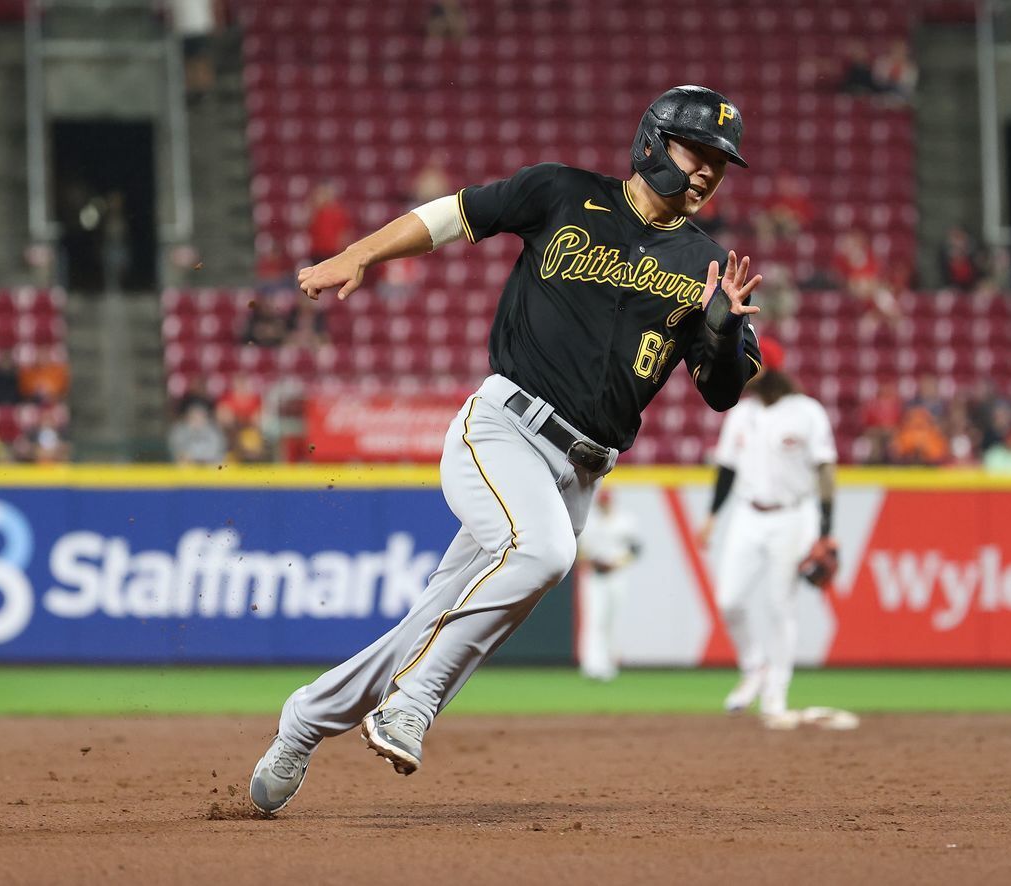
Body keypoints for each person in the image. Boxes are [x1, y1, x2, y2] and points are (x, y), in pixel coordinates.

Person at [249, 85, 763, 814]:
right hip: (505, 428)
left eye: (722, 161)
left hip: (581, 471)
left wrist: (719, 332)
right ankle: (412, 705)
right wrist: (356, 254)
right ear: (654, 141)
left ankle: (304, 720)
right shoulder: (560, 193)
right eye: (699, 151)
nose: (711, 170)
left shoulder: (708, 262)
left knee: (430, 624)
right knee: (544, 554)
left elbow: (723, 390)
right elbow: (452, 217)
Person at [699, 347, 835, 729]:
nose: (746, 372)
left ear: (770, 370)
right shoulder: (741, 414)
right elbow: (726, 469)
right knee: (729, 600)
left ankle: (776, 693)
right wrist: (711, 516)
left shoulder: (807, 412)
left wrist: (826, 530)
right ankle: (754, 667)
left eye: (753, 366)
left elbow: (825, 469)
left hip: (793, 515)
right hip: (748, 512)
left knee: (780, 606)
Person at [575, 488, 641, 682]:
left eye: (606, 502)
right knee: (595, 620)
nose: (603, 505)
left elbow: (636, 549)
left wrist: (617, 563)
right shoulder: (589, 522)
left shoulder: (625, 521)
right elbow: (579, 552)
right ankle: (592, 665)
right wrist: (593, 562)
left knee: (613, 620)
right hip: (594, 576)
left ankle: (610, 664)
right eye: (601, 503)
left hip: (617, 575)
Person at [306, 182, 351, 266]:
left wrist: (341, 252)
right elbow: (306, 225)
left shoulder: (338, 212)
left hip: (332, 253)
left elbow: (344, 234)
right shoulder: (316, 211)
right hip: (317, 253)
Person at [871, 39, 917, 104]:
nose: (899, 52)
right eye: (896, 49)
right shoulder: (882, 61)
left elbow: (908, 86)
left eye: (901, 50)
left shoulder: (911, 68)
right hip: (881, 93)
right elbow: (877, 80)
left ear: (906, 52)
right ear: (891, 50)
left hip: (900, 96)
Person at [939, 225, 981, 291]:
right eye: (953, 238)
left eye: (958, 238)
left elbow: (978, 271)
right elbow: (944, 274)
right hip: (952, 287)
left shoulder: (972, 251)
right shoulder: (944, 253)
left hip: (971, 287)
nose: (956, 242)